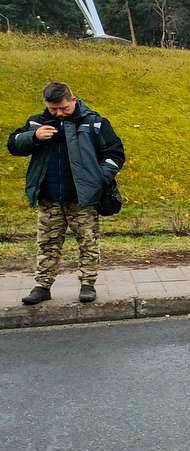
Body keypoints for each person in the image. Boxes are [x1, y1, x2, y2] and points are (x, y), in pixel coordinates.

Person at [6, 82, 125, 304]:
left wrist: (98, 179)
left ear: (73, 99)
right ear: (46, 105)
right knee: (47, 243)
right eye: (53, 109)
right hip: (49, 197)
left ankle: (88, 284)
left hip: (83, 198)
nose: (59, 113)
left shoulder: (95, 123)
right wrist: (33, 137)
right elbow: (13, 145)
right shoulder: (37, 122)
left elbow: (115, 154)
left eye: (63, 108)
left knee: (88, 242)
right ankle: (42, 287)